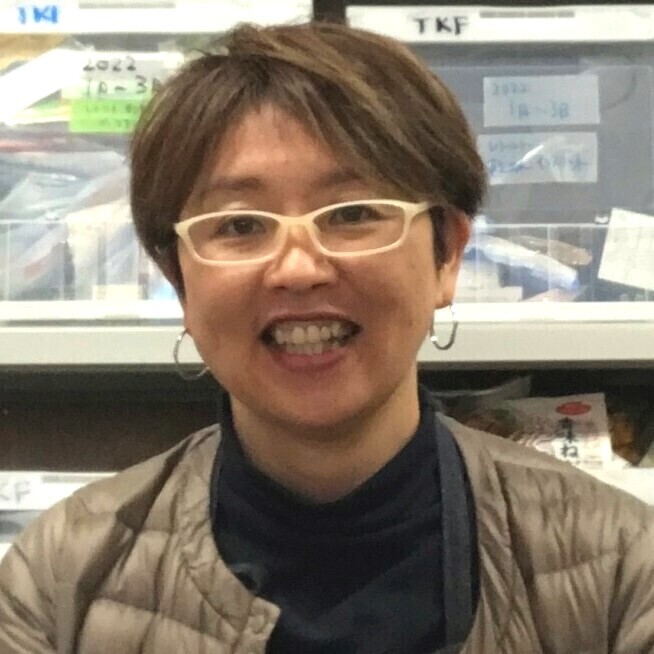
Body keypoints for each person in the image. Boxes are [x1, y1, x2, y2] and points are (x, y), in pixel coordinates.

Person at [1, 20, 653, 654]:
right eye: (239, 226)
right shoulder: (59, 579)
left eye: (352, 213)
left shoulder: (624, 567)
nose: (298, 268)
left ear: (447, 255)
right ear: (178, 279)